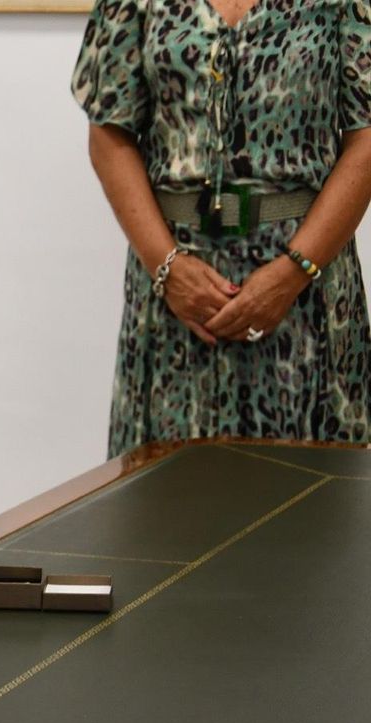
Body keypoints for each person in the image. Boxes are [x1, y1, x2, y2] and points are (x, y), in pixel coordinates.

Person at [72, 0, 371, 456]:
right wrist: (168, 269)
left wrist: (292, 274)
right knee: (164, 508)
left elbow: (367, 141)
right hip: (174, 295)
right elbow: (109, 135)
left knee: (312, 507)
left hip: (307, 295)